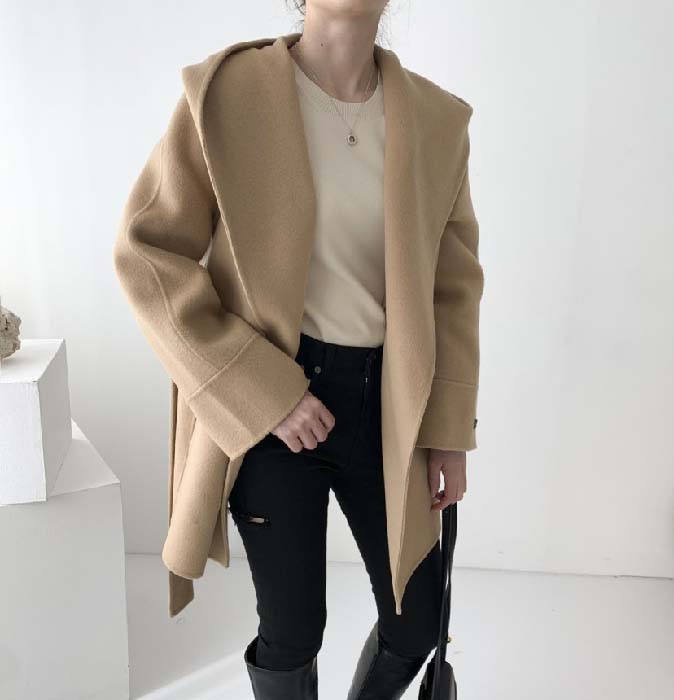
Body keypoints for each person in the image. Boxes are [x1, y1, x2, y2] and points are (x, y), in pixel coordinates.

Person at [113, 1, 483, 698]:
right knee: (293, 629)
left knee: (417, 622)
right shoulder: (227, 93)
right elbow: (148, 254)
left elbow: (453, 289)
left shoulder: (437, 121)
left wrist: (448, 428)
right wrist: (262, 391)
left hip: (390, 405)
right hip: (274, 405)